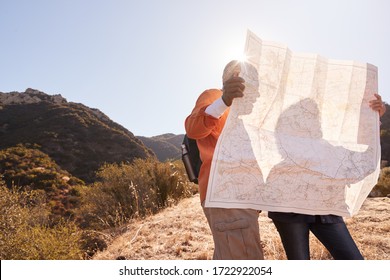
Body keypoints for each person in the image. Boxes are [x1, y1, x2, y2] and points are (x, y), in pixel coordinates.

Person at [268, 93, 386, 260]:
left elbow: (364, 163)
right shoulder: (284, 163)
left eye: (315, 117)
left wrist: (374, 121)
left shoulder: (332, 152)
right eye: (305, 117)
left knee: (353, 261)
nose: (312, 121)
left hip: (326, 212)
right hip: (289, 211)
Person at [185, 60, 264, 260]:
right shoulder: (214, 97)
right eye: (253, 85)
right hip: (227, 196)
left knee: (229, 256)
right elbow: (193, 129)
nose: (258, 94)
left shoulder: (244, 117)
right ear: (236, 80)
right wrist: (225, 100)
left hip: (238, 199)